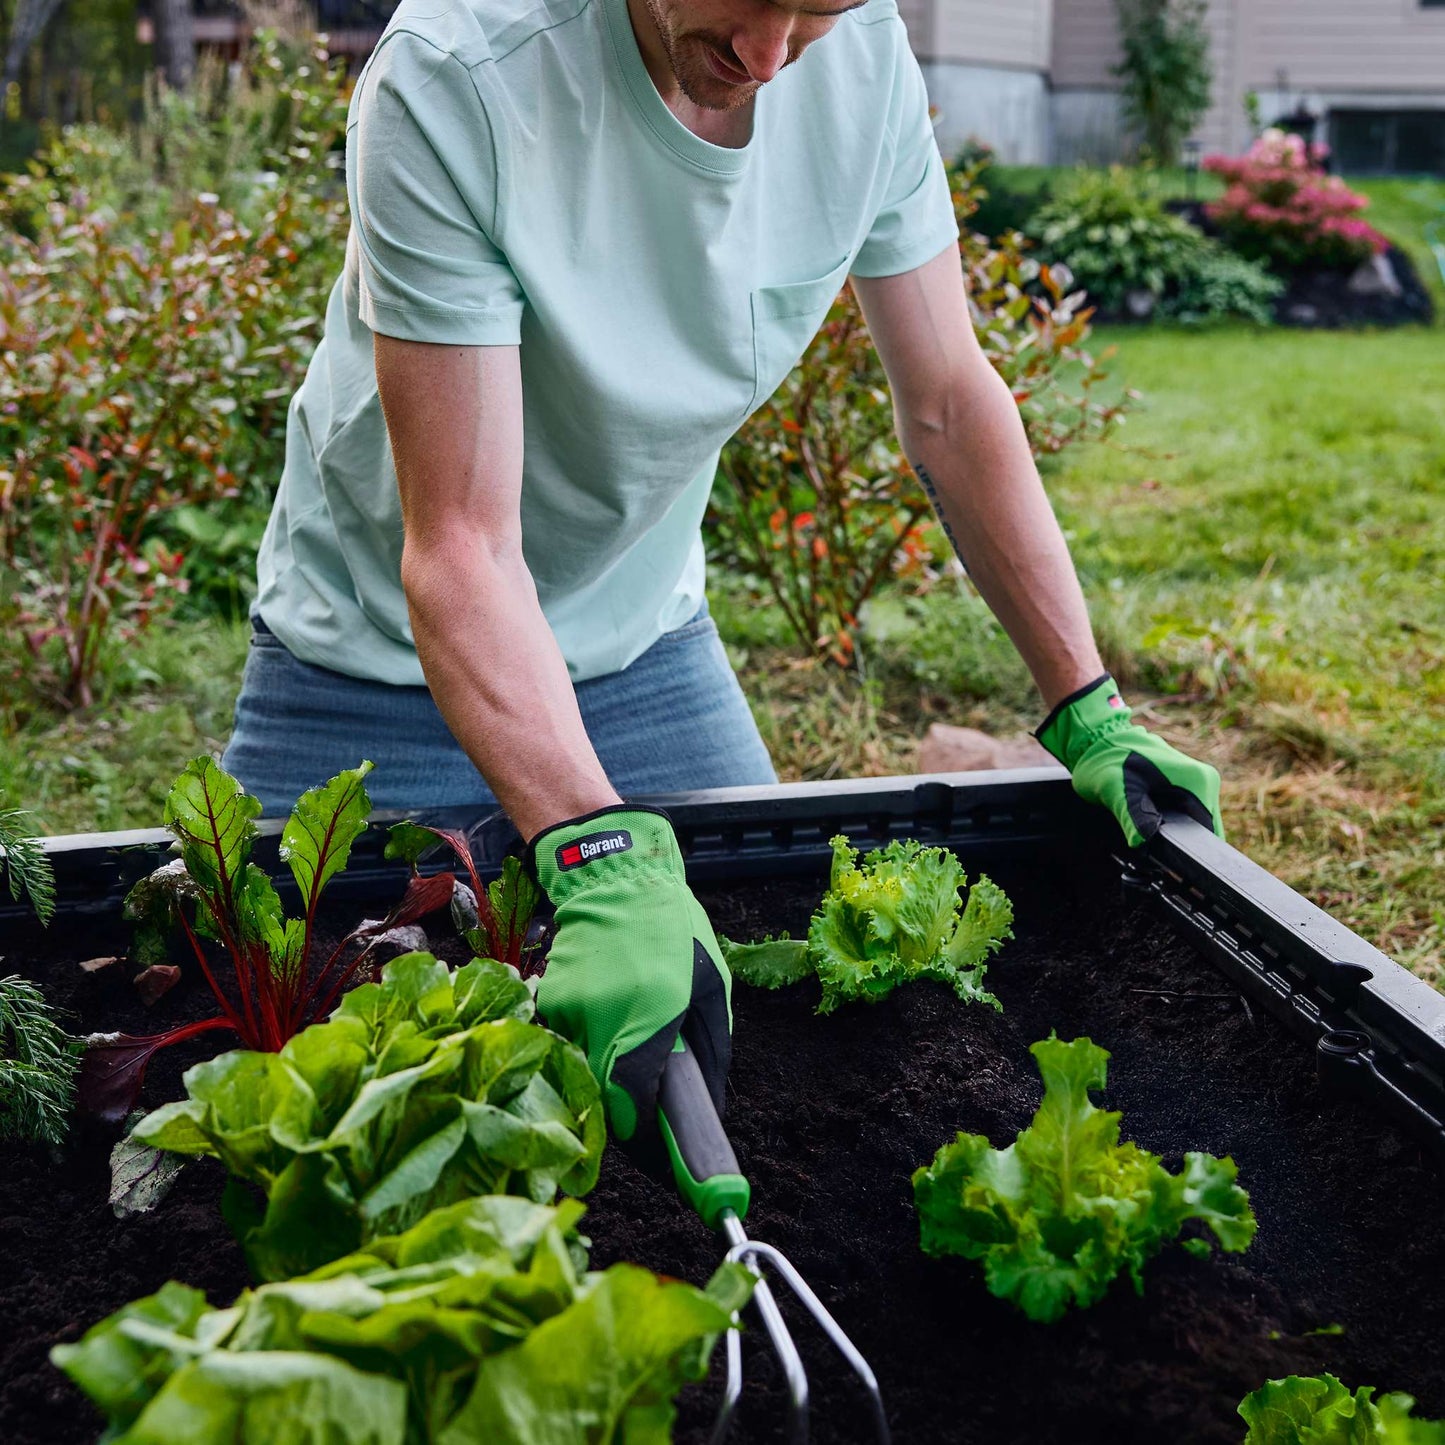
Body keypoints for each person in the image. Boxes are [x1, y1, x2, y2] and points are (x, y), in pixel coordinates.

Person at [222, 0, 1223, 1151]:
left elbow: (946, 396)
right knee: (282, 1083)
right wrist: (595, 848)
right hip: (364, 663)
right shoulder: (459, 71)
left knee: (765, 1031)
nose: (768, 54)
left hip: (641, 647)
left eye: (818, 9)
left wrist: (1082, 701)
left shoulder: (859, 60)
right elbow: (461, 545)